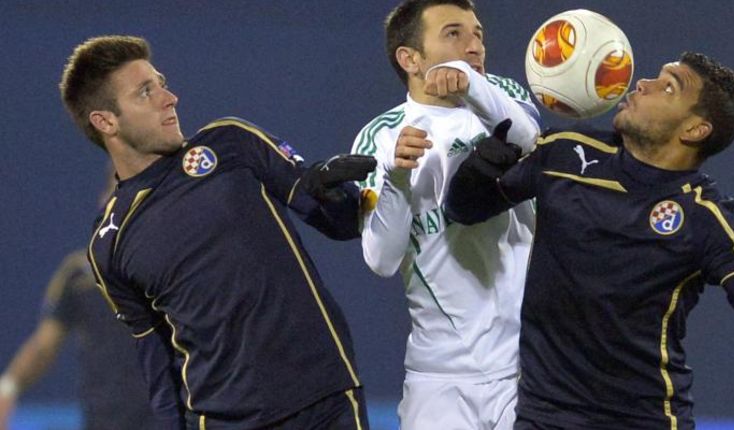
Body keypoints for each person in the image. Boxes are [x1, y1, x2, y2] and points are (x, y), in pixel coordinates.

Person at [445, 52, 734, 429]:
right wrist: (482, 167)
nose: (643, 83)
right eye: (656, 76)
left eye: (669, 87)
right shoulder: (565, 153)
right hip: (543, 417)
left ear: (694, 130)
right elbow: (465, 209)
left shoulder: (704, 217)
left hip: (642, 421)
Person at [59, 35, 377, 430]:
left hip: (324, 402)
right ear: (106, 121)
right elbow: (157, 361)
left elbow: (342, 222)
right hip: (223, 422)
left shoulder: (230, 143)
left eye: (161, 82)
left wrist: (330, 189)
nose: (169, 97)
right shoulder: (110, 243)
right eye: (146, 92)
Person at [350, 0, 540, 428]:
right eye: (453, 33)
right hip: (439, 378)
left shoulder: (502, 96)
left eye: (478, 34)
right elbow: (380, 260)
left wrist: (471, 87)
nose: (475, 46)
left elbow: (529, 140)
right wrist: (397, 178)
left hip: (529, 366)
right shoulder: (378, 136)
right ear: (410, 58)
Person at [0, 244, 156, 430]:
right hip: (118, 412)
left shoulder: (80, 272)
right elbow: (44, 346)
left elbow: (44, 346)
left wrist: (8, 387)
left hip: (139, 412)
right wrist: (8, 388)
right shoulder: (79, 273)